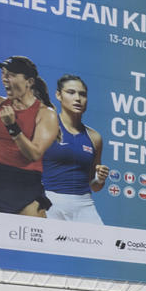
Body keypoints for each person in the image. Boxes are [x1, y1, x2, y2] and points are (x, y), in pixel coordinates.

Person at [0, 55, 56, 216]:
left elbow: (34, 154)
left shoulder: (46, 114)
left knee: (32, 238)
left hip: (25, 182)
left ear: (29, 82)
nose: (5, 79)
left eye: (11, 75)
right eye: (3, 73)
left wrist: (12, 127)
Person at [40, 74, 110, 223]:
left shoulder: (94, 137)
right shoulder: (45, 127)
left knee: (101, 244)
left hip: (84, 204)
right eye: (71, 93)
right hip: (50, 200)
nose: (78, 98)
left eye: (82, 94)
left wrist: (100, 179)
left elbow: (95, 186)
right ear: (58, 95)